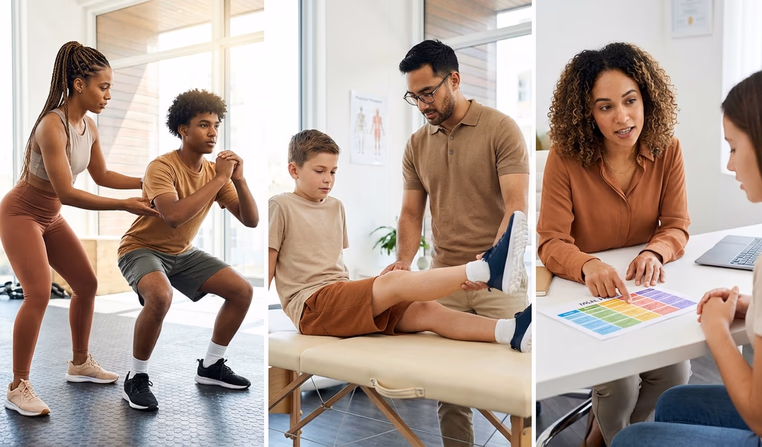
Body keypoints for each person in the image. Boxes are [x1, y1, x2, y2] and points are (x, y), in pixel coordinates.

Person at [612, 63, 762, 447]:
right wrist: (760, 305)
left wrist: (716, 331)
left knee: (631, 440)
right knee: (674, 401)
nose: (729, 164)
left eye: (733, 148)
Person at [537, 42, 691, 446]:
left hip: (643, 290)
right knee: (619, 386)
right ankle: (607, 437)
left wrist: (655, 251)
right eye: (605, 107)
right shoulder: (565, 157)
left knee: (677, 374)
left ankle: (607, 437)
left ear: (647, 99)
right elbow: (551, 241)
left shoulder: (668, 149)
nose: (622, 117)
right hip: (586, 293)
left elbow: (677, 226)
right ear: (587, 113)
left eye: (630, 100)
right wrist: (588, 264)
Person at [268, 129, 532, 358]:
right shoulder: (280, 205)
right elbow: (270, 265)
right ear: (294, 170)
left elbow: (333, 265)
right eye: (319, 171)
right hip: (309, 305)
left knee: (426, 310)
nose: (328, 179)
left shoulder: (335, 207)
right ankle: (487, 269)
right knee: (394, 281)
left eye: (333, 171)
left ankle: (511, 330)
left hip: (337, 297)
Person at [0, 41, 160, 417]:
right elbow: (67, 192)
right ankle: (18, 386)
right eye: (103, 87)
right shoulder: (51, 126)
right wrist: (125, 204)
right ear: (78, 84)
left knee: (86, 284)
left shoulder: (88, 126)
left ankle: (79, 363)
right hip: (20, 214)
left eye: (110, 88)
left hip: (50, 217)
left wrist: (149, 182)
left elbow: (102, 175)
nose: (108, 95)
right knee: (38, 293)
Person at [385, 39, 530, 446]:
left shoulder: (500, 128)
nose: (422, 104)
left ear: (454, 79)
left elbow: (516, 207)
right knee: (449, 391)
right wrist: (404, 262)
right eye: (414, 97)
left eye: (428, 93)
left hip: (498, 280)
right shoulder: (417, 144)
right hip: (445, 278)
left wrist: (491, 262)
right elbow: (410, 213)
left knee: (518, 384)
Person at [117, 89, 259, 411]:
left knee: (242, 291)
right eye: (204, 125)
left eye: (216, 125)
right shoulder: (161, 167)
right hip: (141, 248)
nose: (213, 133)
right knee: (160, 296)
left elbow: (250, 220)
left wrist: (239, 180)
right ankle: (136, 377)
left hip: (182, 252)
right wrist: (220, 178)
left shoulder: (213, 174)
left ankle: (211, 366)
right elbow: (173, 215)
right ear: (183, 129)